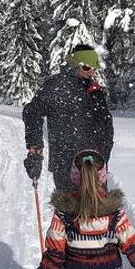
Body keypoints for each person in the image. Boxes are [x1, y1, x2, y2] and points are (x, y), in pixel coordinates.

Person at [33, 149, 135, 269]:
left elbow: (54, 256)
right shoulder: (115, 214)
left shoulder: (64, 214)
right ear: (103, 177)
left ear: (74, 177)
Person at [23, 44, 114, 191]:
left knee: (100, 211)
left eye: (93, 67)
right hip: (65, 164)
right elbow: (32, 112)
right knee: (69, 210)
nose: (91, 72)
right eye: (86, 67)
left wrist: (103, 156)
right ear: (75, 66)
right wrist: (35, 150)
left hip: (95, 166)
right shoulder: (56, 86)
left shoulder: (95, 91)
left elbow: (106, 127)